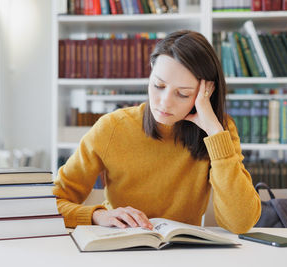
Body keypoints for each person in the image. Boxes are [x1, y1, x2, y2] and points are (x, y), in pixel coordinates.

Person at [52, 30, 261, 234]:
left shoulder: (218, 130)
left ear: (206, 92)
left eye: (182, 94)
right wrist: (97, 216)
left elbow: (240, 223)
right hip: (121, 248)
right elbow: (51, 204)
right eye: (158, 85)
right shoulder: (112, 128)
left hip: (184, 252)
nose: (164, 102)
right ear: (151, 71)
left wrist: (215, 133)